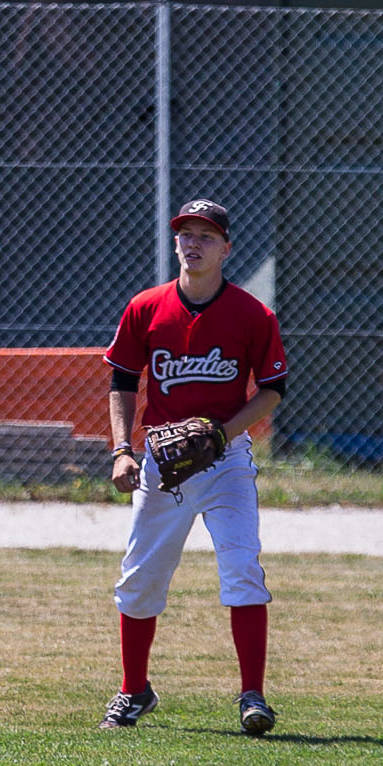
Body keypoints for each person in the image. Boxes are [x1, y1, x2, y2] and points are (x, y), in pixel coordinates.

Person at [99, 198, 288, 735]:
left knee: (243, 570)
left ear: (226, 248)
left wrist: (221, 434)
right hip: (161, 461)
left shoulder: (253, 315)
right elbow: (121, 382)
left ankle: (254, 695)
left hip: (226, 462)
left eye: (206, 235)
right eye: (186, 233)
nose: (193, 243)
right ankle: (134, 690)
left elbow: (273, 390)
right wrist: (120, 449)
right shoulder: (147, 307)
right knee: (139, 579)